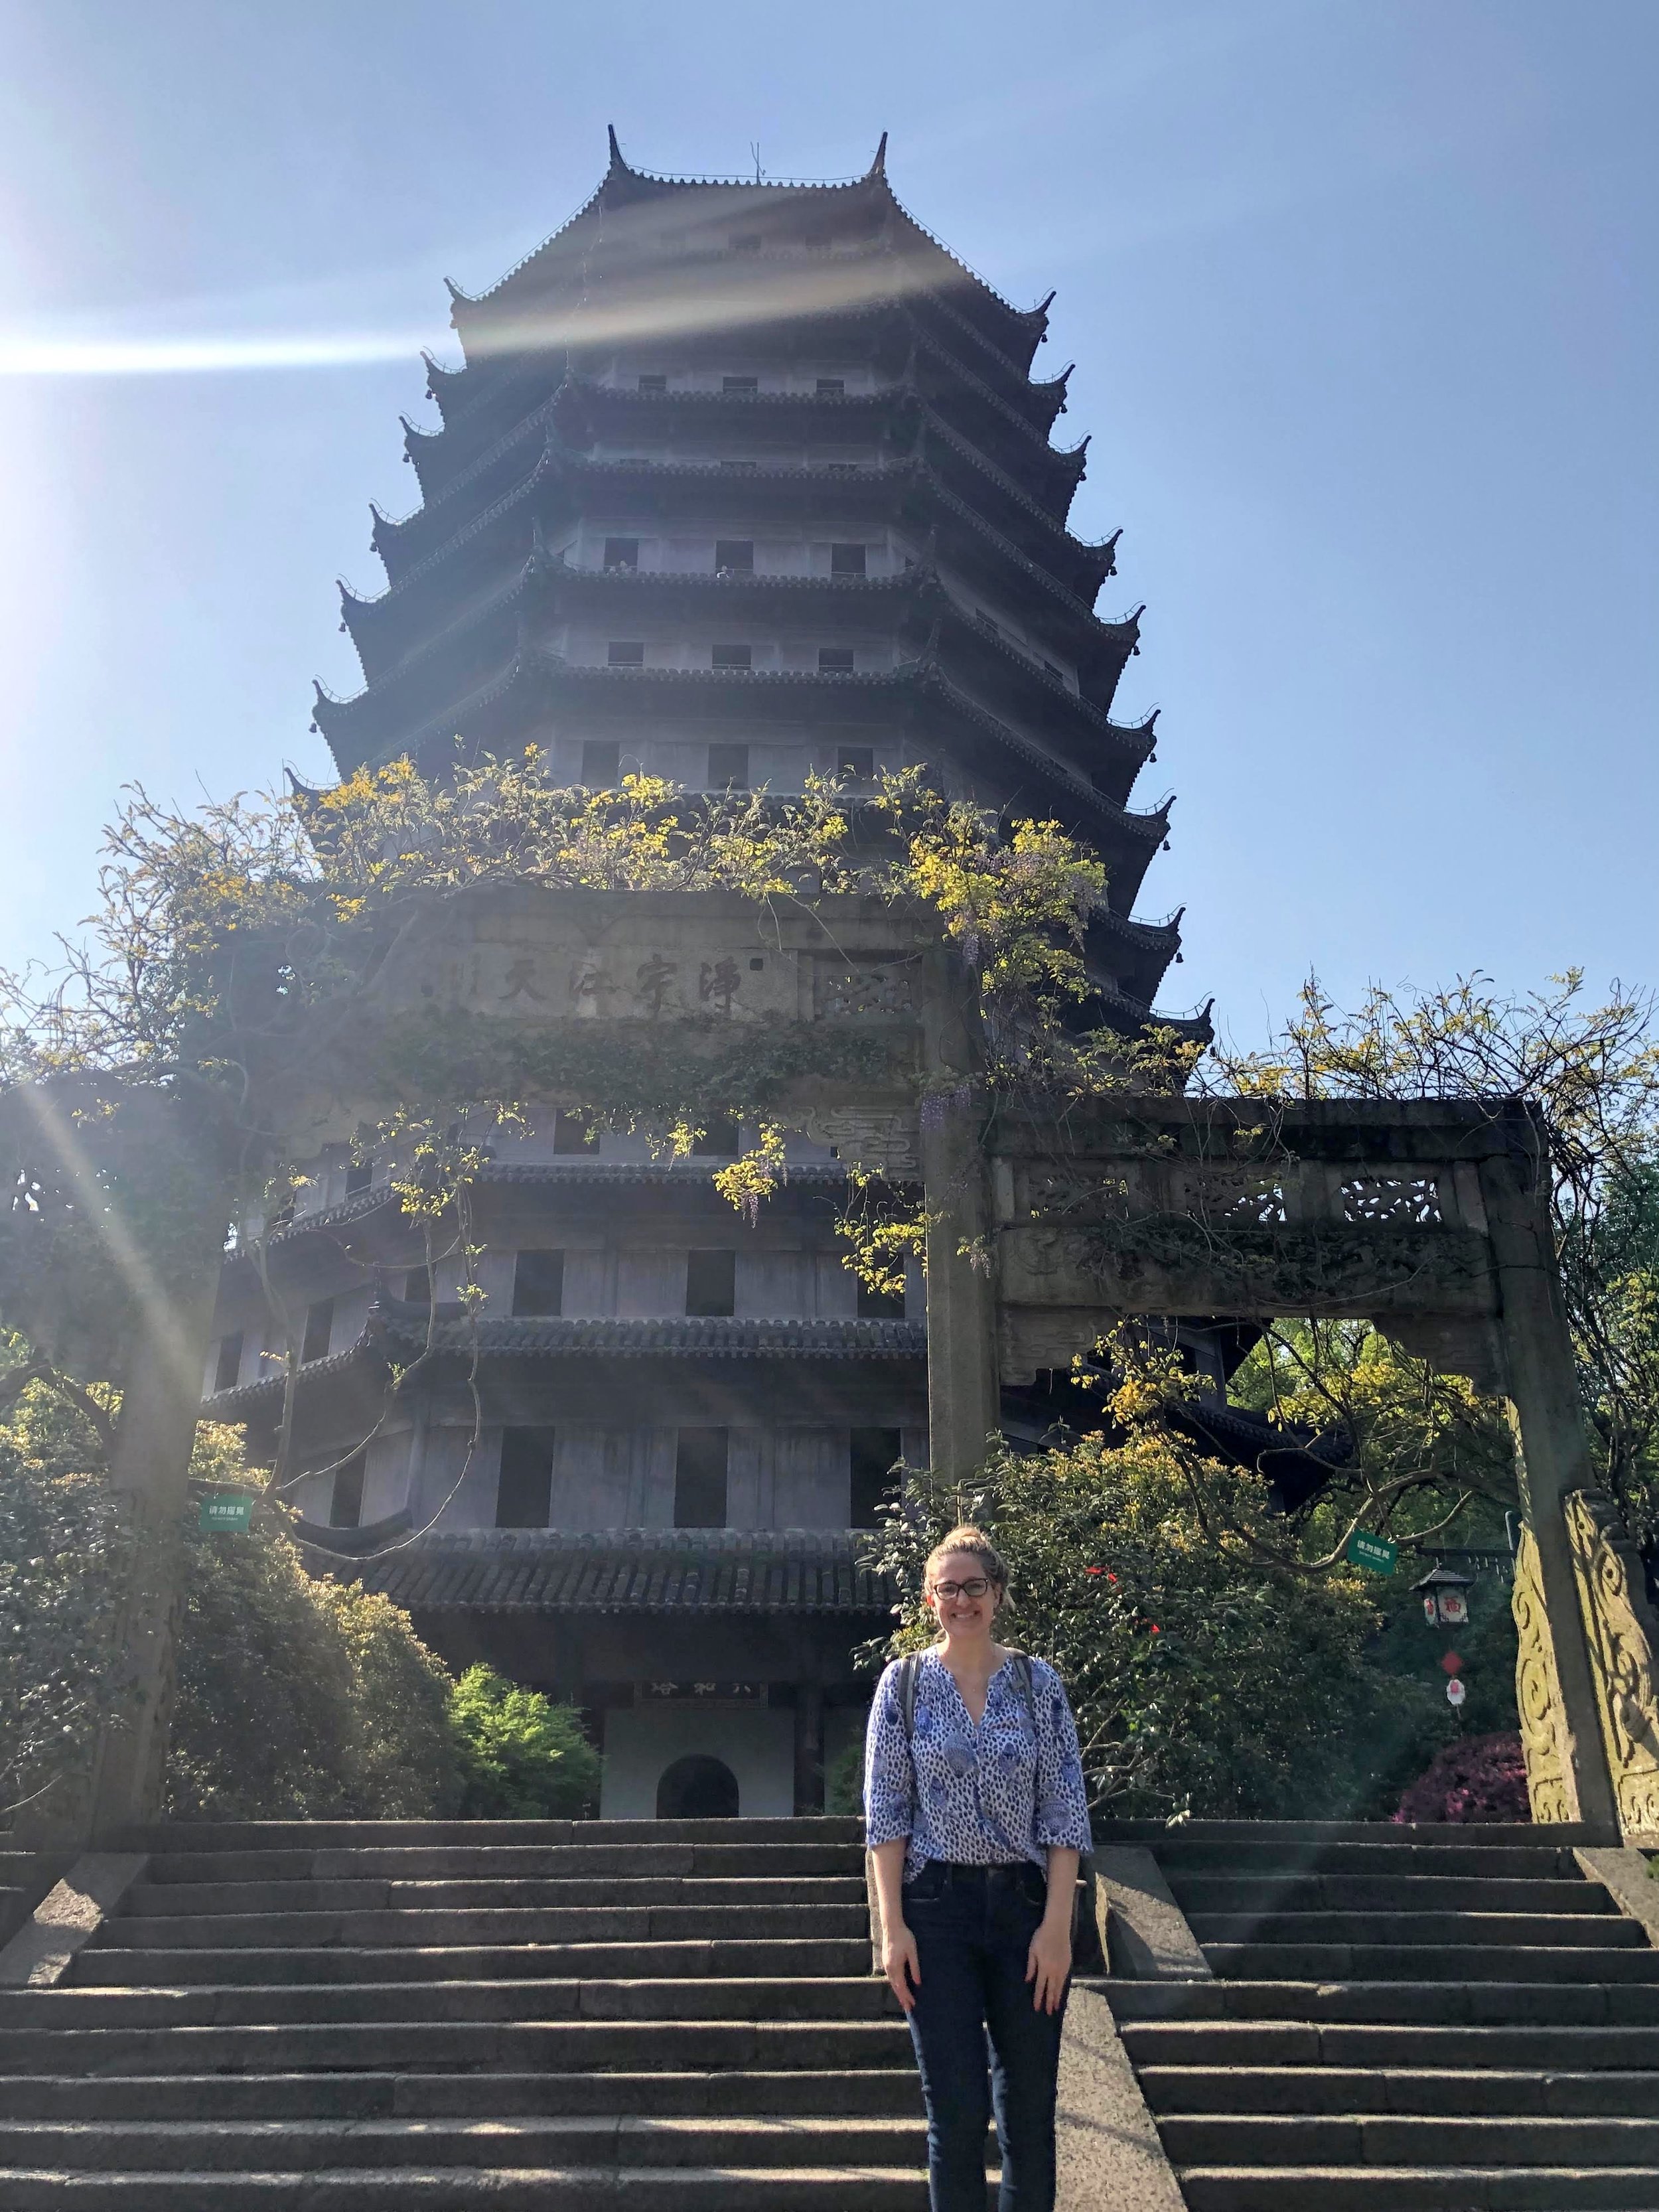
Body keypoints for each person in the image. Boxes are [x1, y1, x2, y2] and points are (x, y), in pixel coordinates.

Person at [864, 1524, 1092, 2212]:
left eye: (974, 1587)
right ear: (929, 1599)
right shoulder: (902, 1685)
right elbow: (885, 1813)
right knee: (956, 2114)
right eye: (948, 1589)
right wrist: (892, 1929)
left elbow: (1063, 1810)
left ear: (997, 1593)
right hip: (935, 1910)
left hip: (1025, 1908)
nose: (961, 1600)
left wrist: (1057, 1927)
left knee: (1029, 2113)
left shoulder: (1036, 1683)